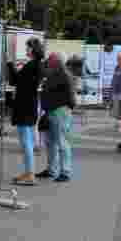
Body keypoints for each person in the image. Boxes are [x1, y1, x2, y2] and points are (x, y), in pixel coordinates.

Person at [6, 38, 45, 185]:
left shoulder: (32, 65)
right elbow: (20, 81)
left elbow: (15, 81)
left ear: (33, 49)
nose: (26, 50)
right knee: (26, 140)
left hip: (25, 106)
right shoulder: (36, 65)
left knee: (26, 141)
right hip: (30, 105)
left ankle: (30, 174)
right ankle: (28, 172)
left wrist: (10, 64)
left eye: (28, 47)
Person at [38, 54, 76, 182]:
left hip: (60, 111)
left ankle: (65, 171)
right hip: (51, 111)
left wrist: (68, 108)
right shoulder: (53, 73)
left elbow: (71, 95)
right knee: (51, 142)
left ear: (57, 62)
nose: (48, 61)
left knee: (61, 142)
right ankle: (51, 169)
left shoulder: (64, 74)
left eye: (50, 60)